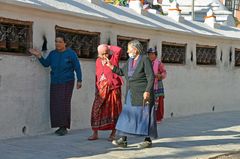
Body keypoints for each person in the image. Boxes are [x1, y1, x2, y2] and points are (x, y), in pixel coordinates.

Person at [105, 40, 158, 149]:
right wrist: (111, 66)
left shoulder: (144, 59)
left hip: (143, 93)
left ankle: (147, 140)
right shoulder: (130, 60)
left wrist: (147, 91)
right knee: (127, 116)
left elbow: (151, 77)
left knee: (145, 116)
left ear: (136, 49)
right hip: (131, 93)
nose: (128, 51)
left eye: (129, 49)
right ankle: (123, 140)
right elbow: (121, 72)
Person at [29, 34, 82, 136]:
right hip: (55, 81)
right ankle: (59, 126)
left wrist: (80, 80)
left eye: (60, 42)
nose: (57, 44)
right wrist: (38, 55)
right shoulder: (53, 54)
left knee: (64, 103)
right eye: (56, 41)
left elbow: (77, 67)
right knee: (55, 104)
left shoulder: (71, 54)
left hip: (67, 81)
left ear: (65, 43)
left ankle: (64, 127)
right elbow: (46, 64)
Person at [88, 44, 123, 141]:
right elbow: (97, 75)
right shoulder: (98, 61)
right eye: (102, 54)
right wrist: (96, 88)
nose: (105, 56)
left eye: (106, 53)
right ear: (99, 54)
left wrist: (108, 46)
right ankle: (95, 133)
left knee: (114, 111)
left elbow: (119, 50)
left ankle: (113, 134)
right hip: (101, 89)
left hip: (113, 88)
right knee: (96, 109)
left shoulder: (113, 58)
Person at [147, 48, 167, 123]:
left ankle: (158, 117)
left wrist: (160, 75)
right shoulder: (146, 63)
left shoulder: (159, 63)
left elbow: (164, 72)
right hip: (149, 84)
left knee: (159, 101)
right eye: (149, 54)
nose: (151, 56)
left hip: (157, 84)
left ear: (155, 55)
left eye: (153, 54)